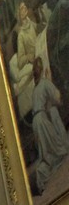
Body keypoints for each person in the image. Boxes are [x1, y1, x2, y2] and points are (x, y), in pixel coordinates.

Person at [31, 56, 69, 194]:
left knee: (45, 152)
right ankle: (41, 176)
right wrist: (50, 80)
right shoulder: (44, 83)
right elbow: (56, 97)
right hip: (41, 120)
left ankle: (41, 175)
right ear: (42, 69)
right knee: (57, 149)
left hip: (36, 122)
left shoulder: (35, 89)